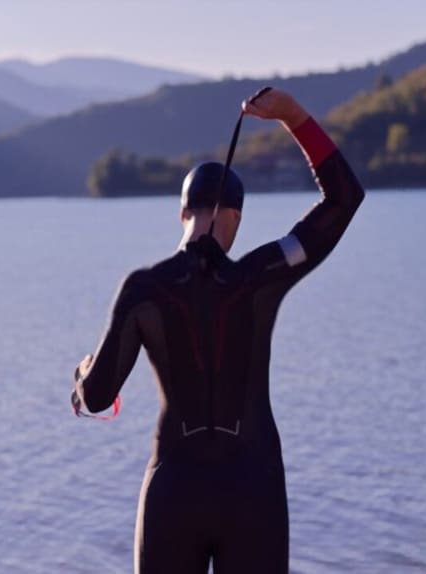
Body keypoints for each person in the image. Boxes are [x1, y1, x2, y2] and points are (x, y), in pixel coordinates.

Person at [72, 87, 365, 574]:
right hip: (253, 489)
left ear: (183, 213)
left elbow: (99, 396)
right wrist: (292, 117)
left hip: (174, 492)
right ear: (235, 217)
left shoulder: (145, 289)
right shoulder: (261, 275)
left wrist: (82, 375)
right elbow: (344, 197)